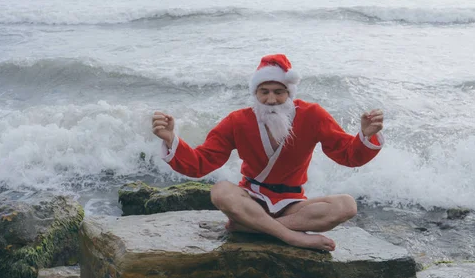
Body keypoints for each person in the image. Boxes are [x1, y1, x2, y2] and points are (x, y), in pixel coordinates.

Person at [152, 54, 384, 251]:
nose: (271, 99)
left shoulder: (313, 115)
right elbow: (202, 162)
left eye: (278, 92)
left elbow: (347, 154)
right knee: (220, 190)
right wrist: (171, 139)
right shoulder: (237, 121)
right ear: (255, 93)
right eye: (264, 92)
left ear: (289, 93)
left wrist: (365, 136)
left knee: (347, 205)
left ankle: (254, 227)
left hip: (293, 204)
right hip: (252, 199)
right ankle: (290, 235)